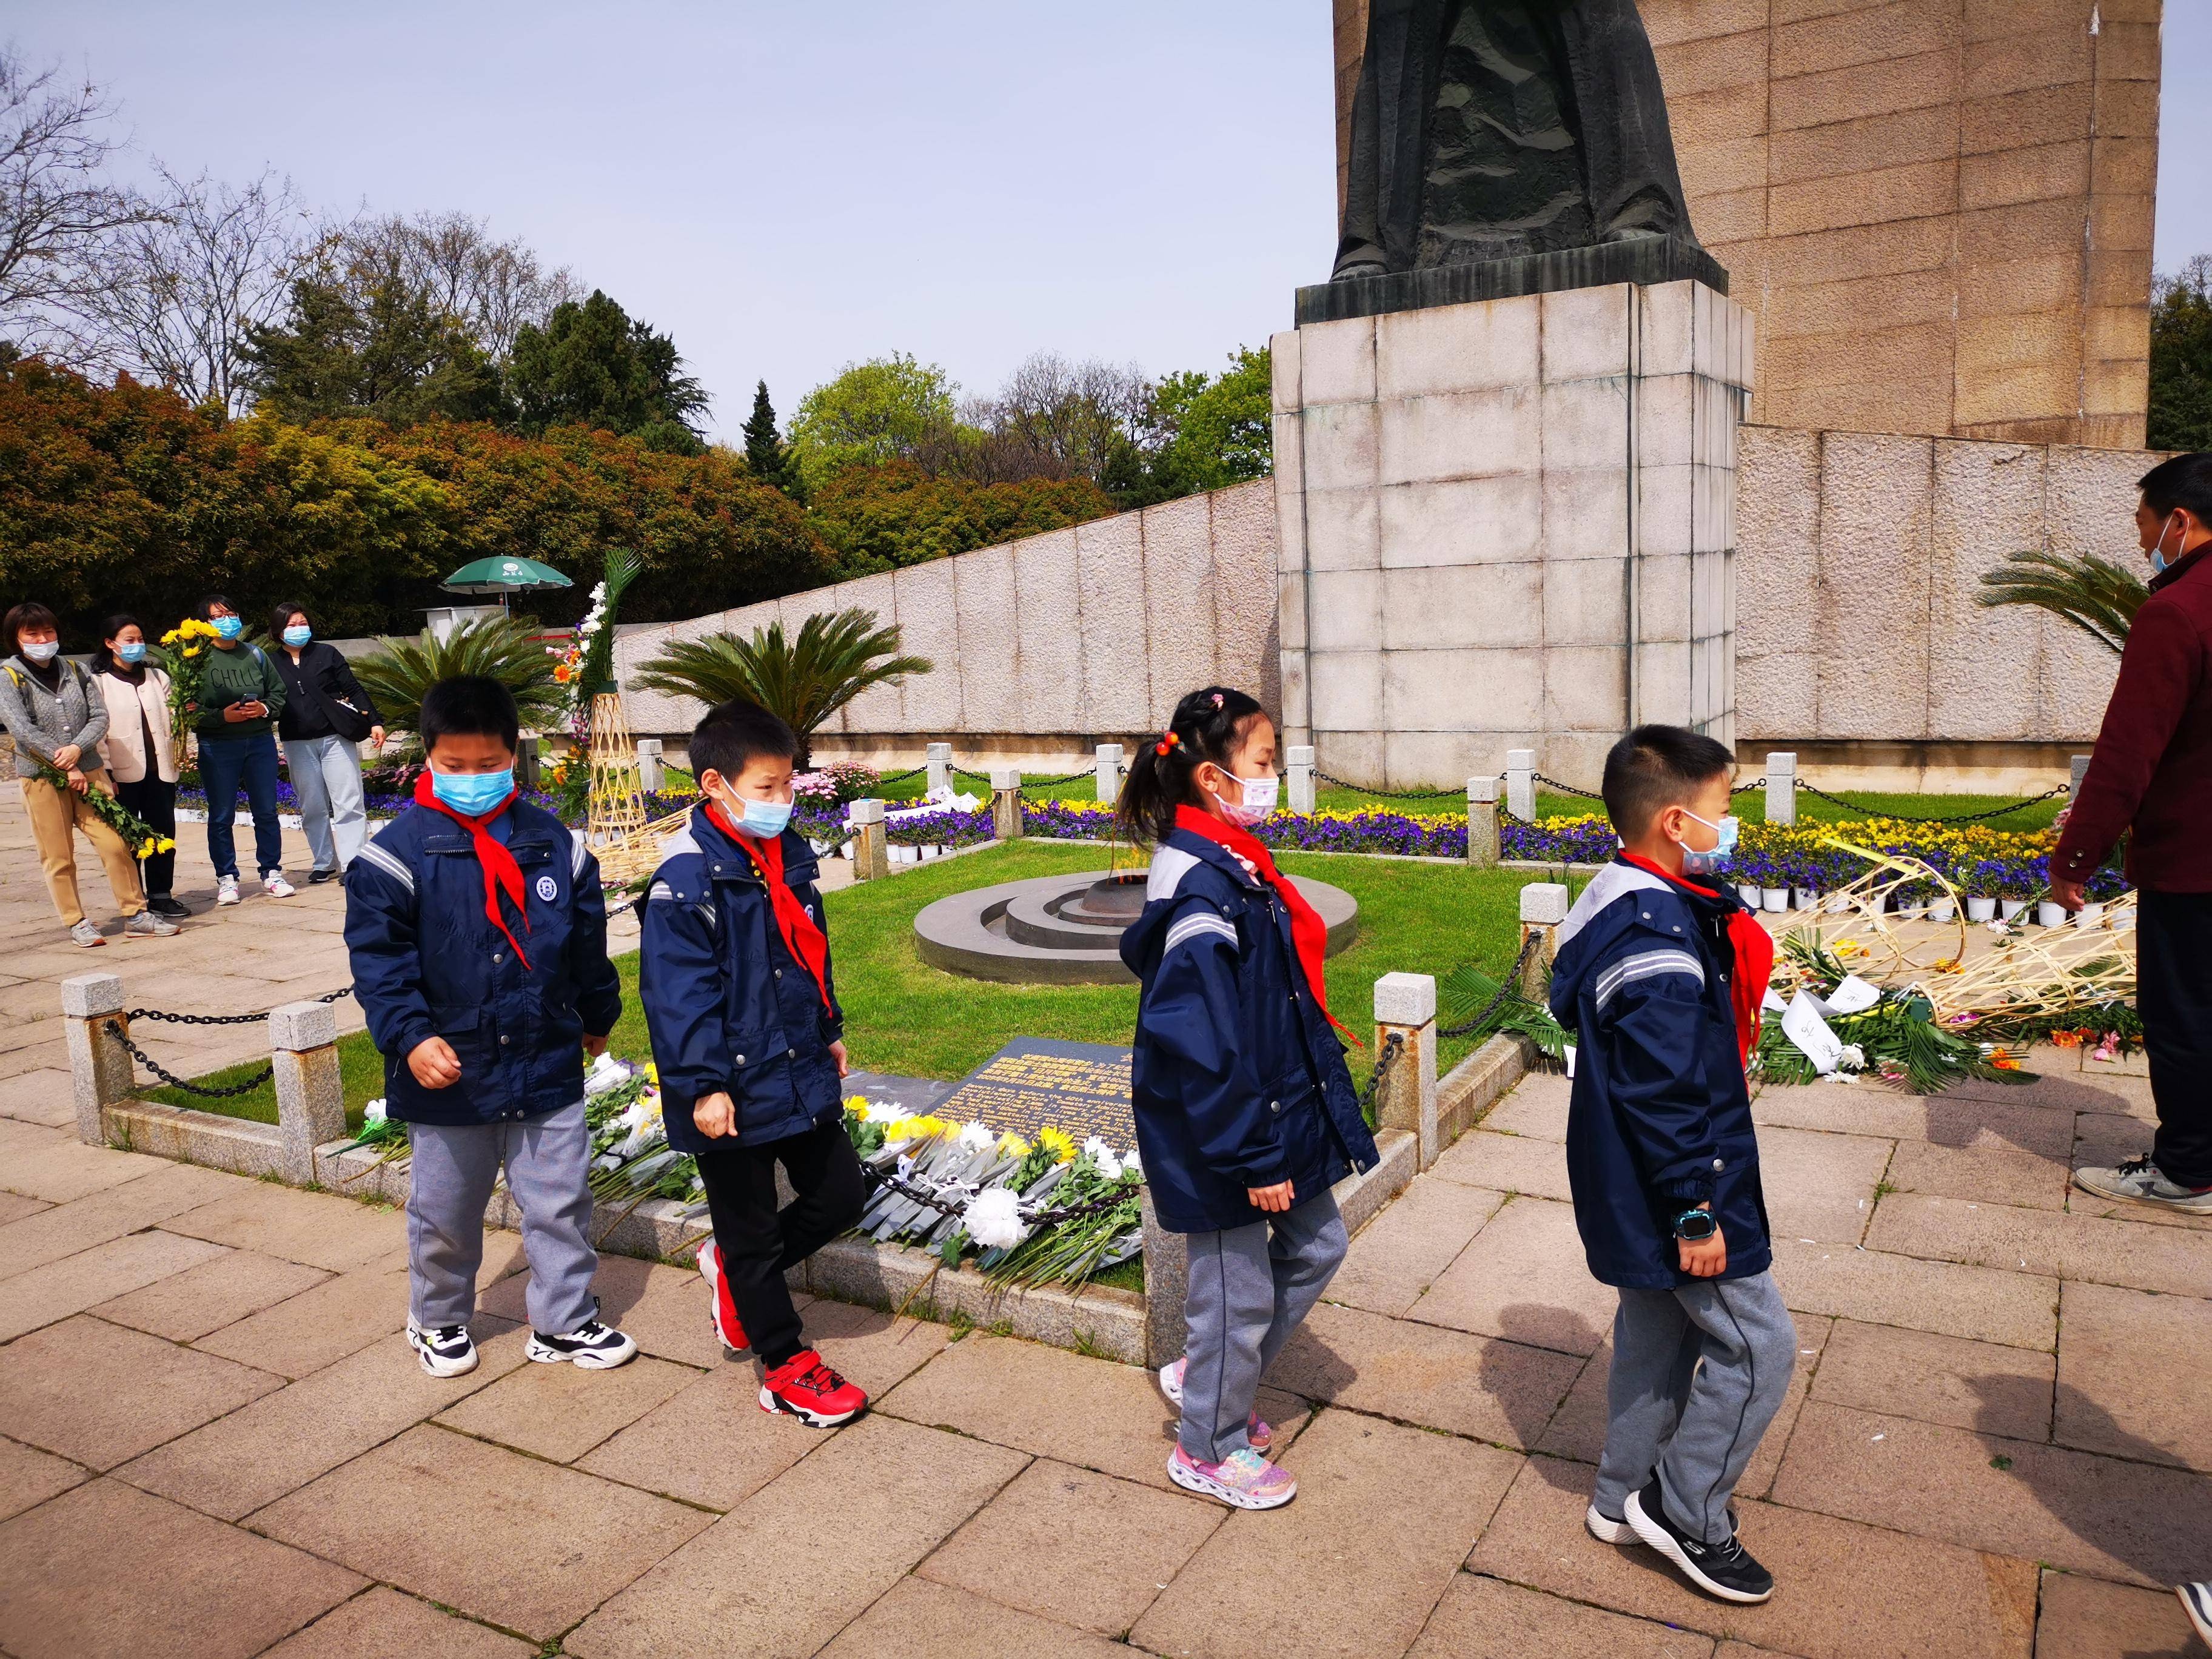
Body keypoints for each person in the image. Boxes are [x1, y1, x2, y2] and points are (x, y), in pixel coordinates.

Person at [1548, 725, 1795, 1605]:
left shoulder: (1629, 896)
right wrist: (1698, 1209)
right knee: (1762, 1346)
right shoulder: (1651, 939)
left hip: (1633, 1176)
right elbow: (1666, 1093)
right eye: (1726, 812)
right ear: (1677, 824)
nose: (1733, 829)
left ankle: (1621, 1501)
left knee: (1657, 1333)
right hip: (1678, 1185)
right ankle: (1688, 1511)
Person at [1117, 686, 1378, 1511]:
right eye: (1262, 763)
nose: (1273, 777)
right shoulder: (1200, 891)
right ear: (1211, 779)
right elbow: (1203, 1047)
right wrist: (1254, 1154)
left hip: (1265, 1114)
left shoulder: (1234, 865)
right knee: (1234, 1290)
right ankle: (1207, 1444)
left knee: (1317, 1246)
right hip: (1223, 1135)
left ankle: (1208, 1374)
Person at [345, 674, 635, 1378]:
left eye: (489, 765)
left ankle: (564, 1321)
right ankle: (438, 1316)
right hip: (450, 1070)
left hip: (545, 1060)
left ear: (515, 757)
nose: (472, 778)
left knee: (560, 1202)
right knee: (446, 1211)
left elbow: (586, 942)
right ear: (428, 760)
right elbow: (380, 964)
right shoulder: (393, 858)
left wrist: (598, 1013)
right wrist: (411, 1037)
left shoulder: (555, 846)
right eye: (454, 766)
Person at [638, 699, 870, 1428]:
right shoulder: (686, 878)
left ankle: (735, 1274)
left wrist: (827, 1025)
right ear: (716, 784)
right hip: (729, 1083)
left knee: (841, 1194)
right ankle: (785, 1366)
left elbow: (810, 951)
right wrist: (704, 1085)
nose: (783, 800)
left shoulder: (786, 851)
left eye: (788, 784)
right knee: (752, 1232)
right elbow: (678, 995)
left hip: (796, 1062)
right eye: (766, 788)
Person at [2060, 452, 2212, 1217]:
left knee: (2185, 1013)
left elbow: (2128, 752)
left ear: (2180, 522)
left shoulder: (2178, 612)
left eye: (2146, 525)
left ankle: (2187, 1171)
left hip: (2196, 862)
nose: (2143, 541)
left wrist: (2076, 856)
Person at [0, 602, 174, 945]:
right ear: (16, 639)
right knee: (58, 854)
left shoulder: (76, 671)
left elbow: (99, 716)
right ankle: (75, 920)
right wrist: (65, 763)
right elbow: (21, 729)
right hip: (42, 777)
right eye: (32, 633)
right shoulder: (10, 677)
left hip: (90, 770)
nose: (43, 639)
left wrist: (78, 751)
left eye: (48, 631)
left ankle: (135, 913)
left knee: (115, 843)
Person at [268, 602, 384, 884]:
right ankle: (324, 861)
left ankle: (353, 864)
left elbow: (353, 687)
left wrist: (376, 721)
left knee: (349, 803)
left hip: (335, 738)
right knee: (313, 806)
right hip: (297, 742)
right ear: (278, 630)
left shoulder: (326, 653)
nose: (299, 629)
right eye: (292, 625)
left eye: (303, 623)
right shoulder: (269, 662)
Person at [189, 594, 293, 906]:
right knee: (221, 815)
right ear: (204, 625)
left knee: (266, 811)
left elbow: (278, 693)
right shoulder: (195, 661)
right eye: (218, 616)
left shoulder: (256, 654)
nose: (227, 621)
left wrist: (263, 708)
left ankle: (272, 872)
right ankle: (227, 878)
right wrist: (222, 717)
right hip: (218, 746)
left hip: (259, 742)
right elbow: (189, 708)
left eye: (231, 613)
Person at [92, 615, 190, 919]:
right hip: (123, 773)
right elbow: (97, 731)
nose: (137, 646)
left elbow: (174, 719)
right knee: (127, 840)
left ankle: (162, 894)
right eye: (129, 640)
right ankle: (135, 900)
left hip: (159, 771)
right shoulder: (98, 682)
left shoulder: (158, 678)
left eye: (139, 639)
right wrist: (106, 771)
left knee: (162, 834)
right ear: (111, 644)